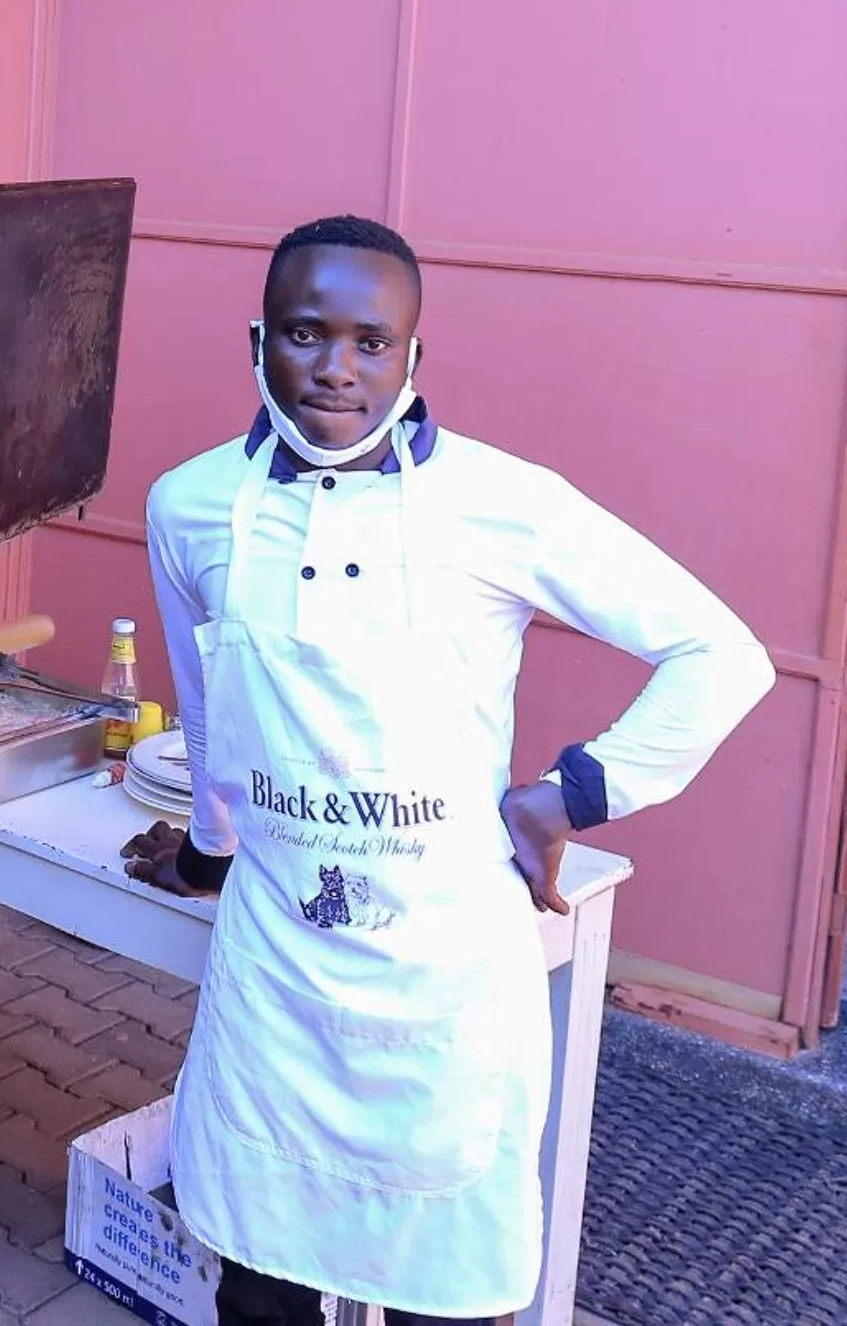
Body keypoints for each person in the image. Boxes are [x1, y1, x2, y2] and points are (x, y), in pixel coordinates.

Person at [121, 215, 773, 1326]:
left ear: (413, 358)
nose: (335, 368)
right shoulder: (188, 507)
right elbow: (214, 715)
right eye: (303, 333)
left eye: (371, 343)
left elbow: (720, 654)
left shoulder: (504, 503)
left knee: (440, 1301)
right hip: (274, 988)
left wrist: (567, 793)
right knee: (258, 1294)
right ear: (255, 341)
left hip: (443, 994)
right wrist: (203, 849)